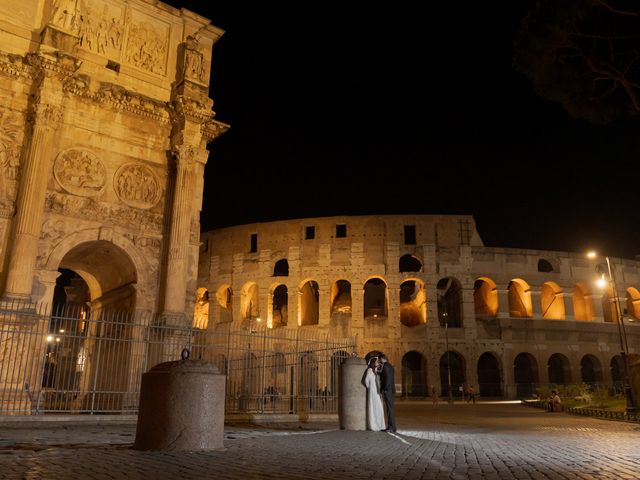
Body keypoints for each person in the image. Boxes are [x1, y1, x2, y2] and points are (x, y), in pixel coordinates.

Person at [364, 357, 386, 431]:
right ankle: (373, 425)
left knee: (379, 407)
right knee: (373, 407)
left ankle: (380, 424)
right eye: (377, 362)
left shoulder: (376, 371)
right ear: (373, 363)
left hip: (377, 391)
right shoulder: (369, 370)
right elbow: (366, 381)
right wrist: (370, 387)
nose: (378, 363)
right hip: (372, 391)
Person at [379, 353, 397, 432]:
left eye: (379, 359)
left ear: (382, 359)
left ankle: (391, 427)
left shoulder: (385, 366)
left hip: (388, 390)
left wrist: (384, 389)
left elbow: (387, 379)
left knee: (389, 410)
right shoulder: (390, 366)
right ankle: (392, 427)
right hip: (391, 390)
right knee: (390, 409)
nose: (379, 361)